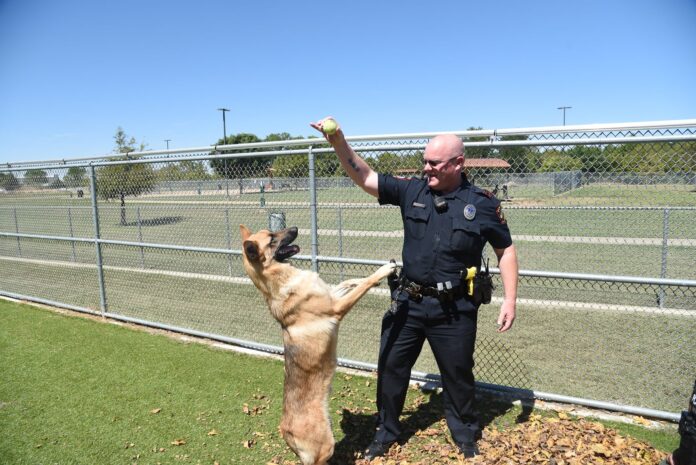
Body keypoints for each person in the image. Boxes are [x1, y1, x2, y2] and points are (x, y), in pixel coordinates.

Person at [310, 117, 519, 460]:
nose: (427, 168)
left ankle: (465, 433)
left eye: (434, 163)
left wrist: (510, 299)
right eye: (425, 161)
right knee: (391, 367)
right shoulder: (413, 190)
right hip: (408, 301)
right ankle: (386, 429)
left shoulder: (481, 203)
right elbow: (365, 177)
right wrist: (338, 142)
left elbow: (505, 249)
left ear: (458, 163)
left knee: (457, 372)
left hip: (454, 308)